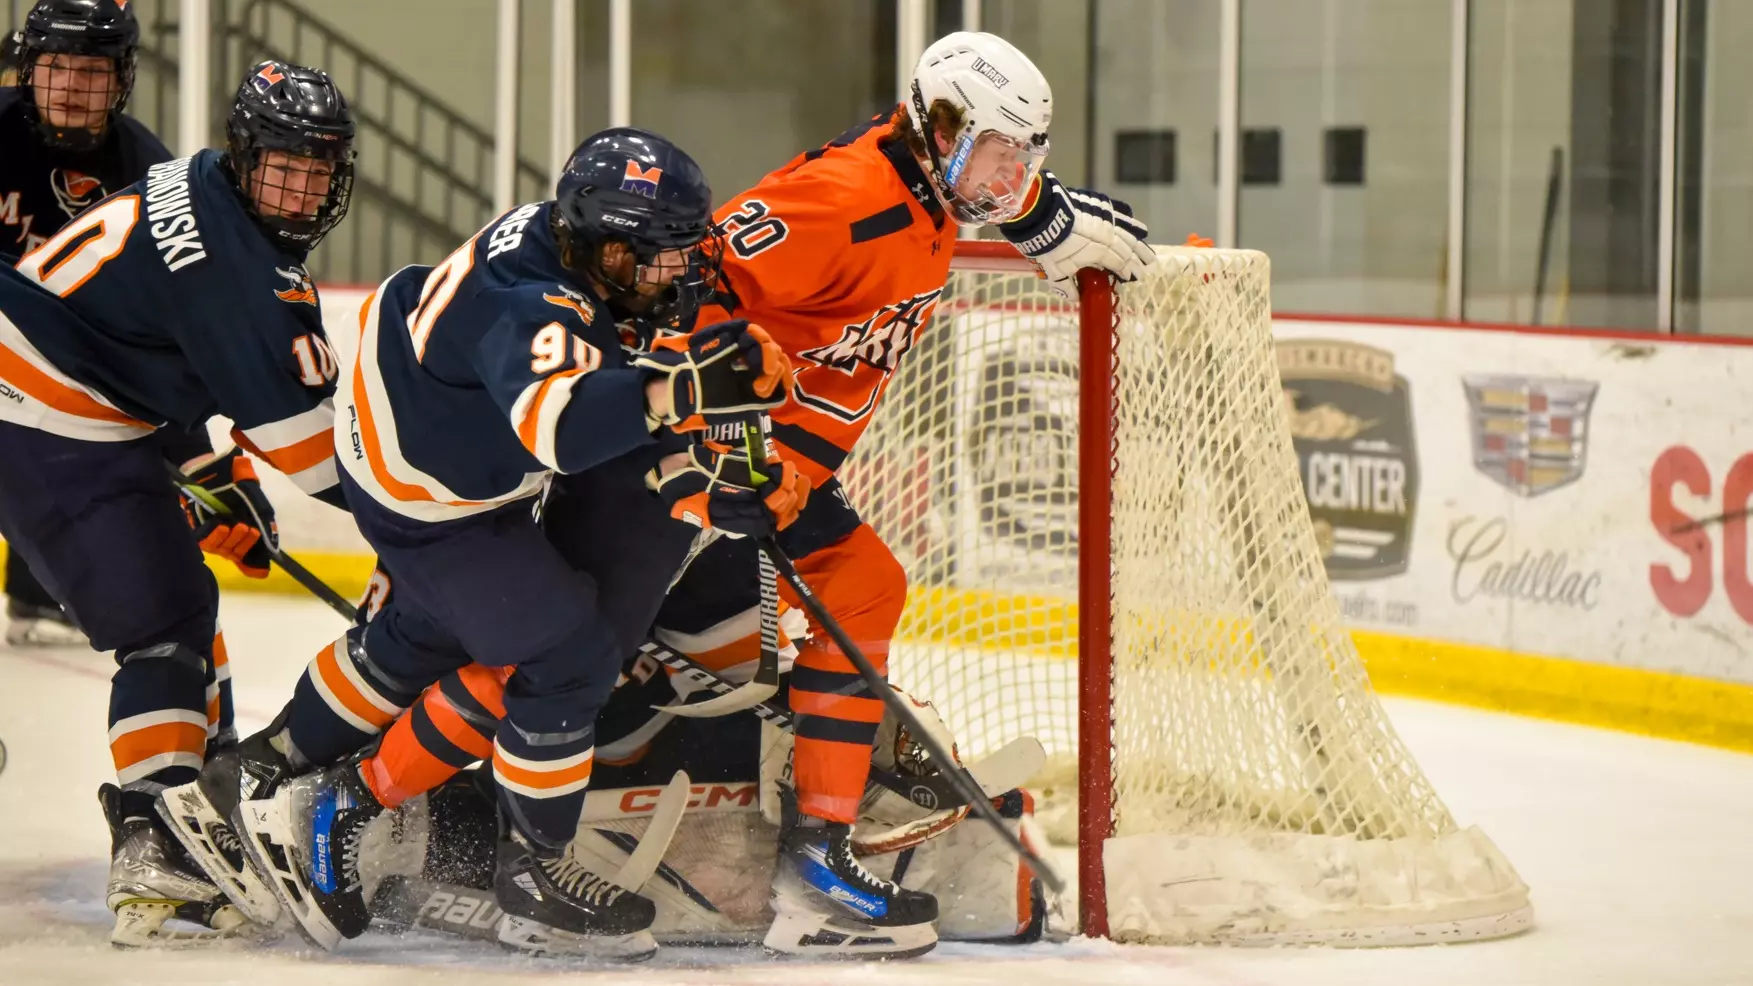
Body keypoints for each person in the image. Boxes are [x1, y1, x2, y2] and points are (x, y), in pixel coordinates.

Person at [292, 30, 1154, 959]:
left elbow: (829, 359)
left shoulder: (930, 197)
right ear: (938, 127)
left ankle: (818, 857)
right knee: (564, 668)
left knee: (865, 584)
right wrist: (724, 445)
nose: (1007, 178)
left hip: (759, 464)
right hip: (667, 460)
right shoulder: (842, 200)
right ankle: (358, 795)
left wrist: (1035, 214)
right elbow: (687, 293)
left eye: (1021, 160)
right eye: (997, 155)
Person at [177, 127, 808, 960]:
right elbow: (564, 431)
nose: (674, 274)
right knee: (569, 655)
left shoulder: (573, 259)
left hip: (439, 448)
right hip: (431, 497)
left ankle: (268, 760)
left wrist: (704, 478)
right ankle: (528, 873)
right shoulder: (535, 298)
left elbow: (613, 419)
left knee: (430, 632)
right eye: (654, 255)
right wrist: (687, 391)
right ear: (603, 243)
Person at [0, 56, 356, 946]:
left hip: (51, 390)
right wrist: (433, 523)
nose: (301, 189)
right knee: (163, 624)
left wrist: (209, 475)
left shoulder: (192, 185)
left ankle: (195, 794)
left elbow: (139, 338)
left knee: (186, 606)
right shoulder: (246, 272)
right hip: (43, 415)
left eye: (317, 169)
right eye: (284, 164)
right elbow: (316, 459)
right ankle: (159, 840)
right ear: (245, 157)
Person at [0, 0, 204, 648]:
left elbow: (171, 318)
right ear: (27, 68)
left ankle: (37, 589)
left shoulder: (149, 173)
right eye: (56, 67)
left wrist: (191, 447)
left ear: (121, 79)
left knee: (169, 583)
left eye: (90, 72)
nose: (69, 88)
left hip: (65, 394)